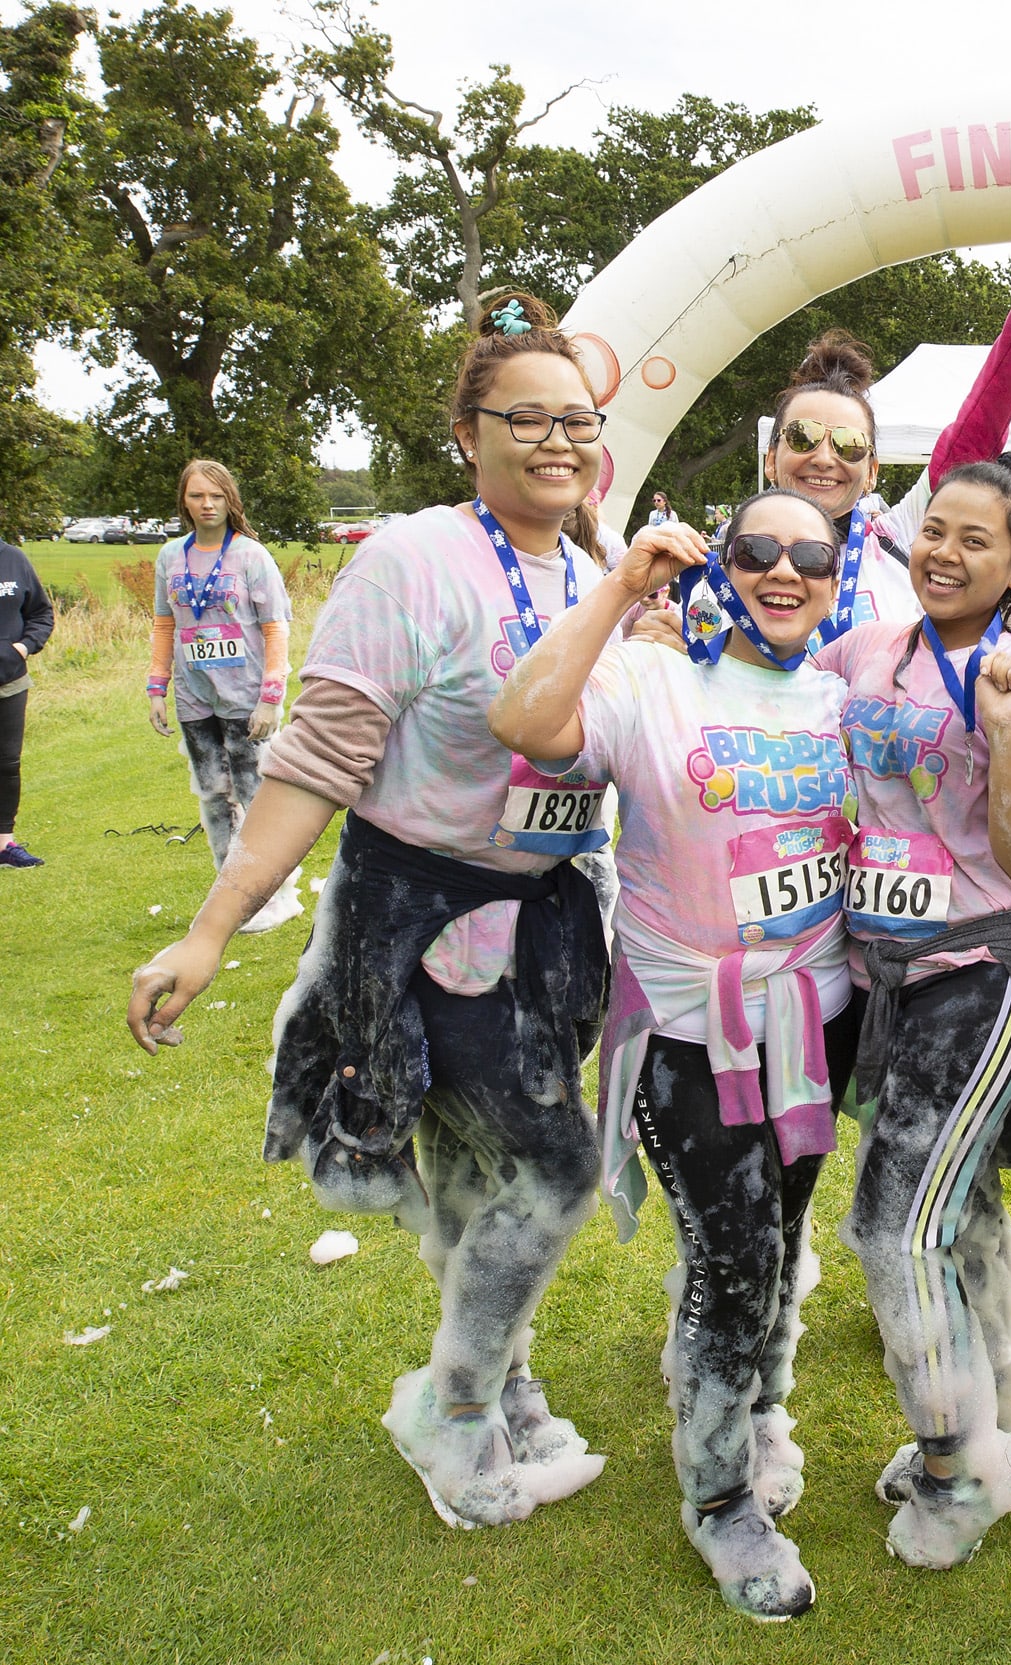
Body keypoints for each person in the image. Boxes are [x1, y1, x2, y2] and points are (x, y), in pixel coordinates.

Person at [127, 289, 642, 1533]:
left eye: (577, 419)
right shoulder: (412, 558)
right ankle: (451, 1414)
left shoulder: (588, 569)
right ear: (468, 431)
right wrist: (211, 926)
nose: (559, 441)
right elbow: (318, 759)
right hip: (422, 921)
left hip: (550, 919)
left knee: (475, 1171)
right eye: (528, 418)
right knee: (559, 1164)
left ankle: (509, 1392)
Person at [490, 488, 852, 1622]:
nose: (783, 571)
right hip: (687, 1034)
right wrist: (620, 586)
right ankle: (719, 1496)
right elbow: (524, 722)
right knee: (732, 1261)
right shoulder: (652, 680)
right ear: (718, 564)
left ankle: (758, 1412)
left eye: (811, 554)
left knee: (782, 1240)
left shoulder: (842, 696)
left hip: (815, 1022)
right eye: (757, 550)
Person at [812, 454, 1011, 1569]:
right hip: (884, 970)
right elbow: (783, 682)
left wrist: (1007, 735)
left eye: (978, 540)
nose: (945, 552)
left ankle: (953, 1465)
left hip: (985, 968)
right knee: (958, 1209)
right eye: (936, 529)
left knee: (892, 1223)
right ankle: (997, 1419)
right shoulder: (870, 646)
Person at [747, 214, 1011, 650]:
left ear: (872, 471)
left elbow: (980, 424)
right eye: (802, 436)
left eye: (849, 445)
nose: (824, 457)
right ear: (770, 457)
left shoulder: (903, 540)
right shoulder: (725, 564)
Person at [145, 459, 303, 932]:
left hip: (247, 698)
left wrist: (272, 696)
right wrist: (157, 687)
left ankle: (271, 894)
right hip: (195, 698)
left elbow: (276, 629)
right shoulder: (170, 558)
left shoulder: (251, 556)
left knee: (257, 798)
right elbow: (164, 624)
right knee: (214, 795)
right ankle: (228, 895)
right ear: (184, 502)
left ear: (229, 500)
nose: (206, 504)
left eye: (215, 495)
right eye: (196, 496)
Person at [0, 537, 53, 867]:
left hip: (10, 683)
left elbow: (41, 613)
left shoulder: (13, 559)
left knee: (6, 764)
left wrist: (22, 647)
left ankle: (4, 843)